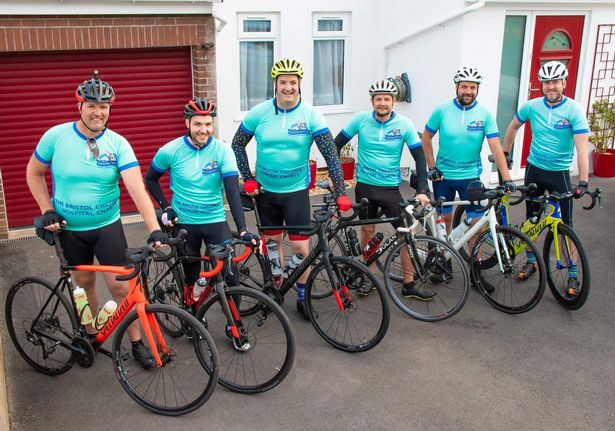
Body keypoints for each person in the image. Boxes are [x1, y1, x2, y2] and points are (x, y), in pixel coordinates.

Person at [26, 71, 166, 369]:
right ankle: (90, 337)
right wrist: (46, 209)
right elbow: (33, 172)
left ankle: (136, 342)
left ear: (110, 109)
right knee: (84, 285)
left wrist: (154, 228)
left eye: (103, 106)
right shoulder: (56, 136)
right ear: (79, 106)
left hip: (107, 227)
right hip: (69, 229)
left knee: (121, 288)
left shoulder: (118, 144)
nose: (97, 111)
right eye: (91, 105)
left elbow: (136, 188)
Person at [231, 58, 351, 320]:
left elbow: (331, 154)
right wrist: (247, 178)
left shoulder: (311, 114)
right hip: (265, 192)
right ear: (275, 85)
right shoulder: (259, 113)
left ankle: (302, 295)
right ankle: (275, 291)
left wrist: (341, 191)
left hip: (296, 192)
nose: (288, 87)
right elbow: (237, 144)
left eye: (292, 83)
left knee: (301, 250)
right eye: (283, 82)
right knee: (272, 246)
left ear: (299, 85)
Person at [145, 97, 257, 306]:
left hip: (214, 219)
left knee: (230, 275)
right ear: (187, 123)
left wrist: (242, 229)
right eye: (197, 124)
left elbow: (232, 191)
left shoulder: (222, 151)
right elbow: (150, 179)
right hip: (185, 223)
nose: (203, 130)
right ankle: (192, 314)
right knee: (191, 276)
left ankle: (233, 326)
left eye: (208, 124)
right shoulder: (171, 150)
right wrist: (166, 207)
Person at [334, 79, 432, 299]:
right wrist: (336, 177)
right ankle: (370, 276)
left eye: (387, 99)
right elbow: (335, 144)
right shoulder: (361, 120)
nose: (383, 103)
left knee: (405, 233)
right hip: (365, 188)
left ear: (393, 102)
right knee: (367, 231)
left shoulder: (404, 124)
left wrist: (423, 189)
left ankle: (409, 283)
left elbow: (419, 157)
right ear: (372, 101)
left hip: (390, 190)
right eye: (378, 99)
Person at [503, 61, 589, 297]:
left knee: (565, 226)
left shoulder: (574, 110)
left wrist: (583, 182)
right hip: (535, 170)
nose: (551, 86)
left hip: (560, 173)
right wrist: (506, 154)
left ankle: (572, 275)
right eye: (547, 82)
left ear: (564, 83)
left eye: (555, 82)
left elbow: (582, 149)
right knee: (532, 218)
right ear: (542, 85)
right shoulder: (531, 106)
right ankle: (530, 260)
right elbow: (512, 127)